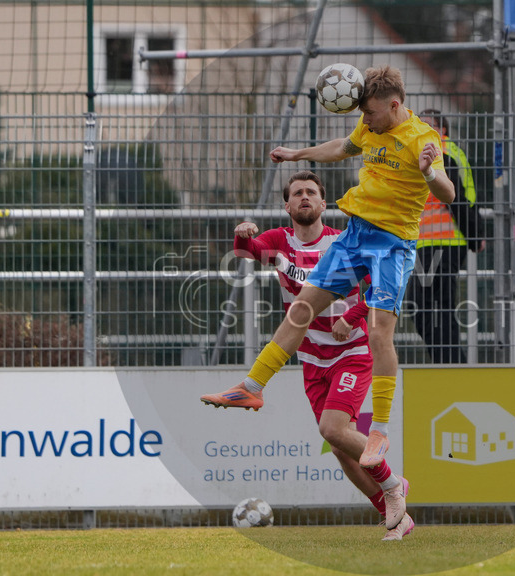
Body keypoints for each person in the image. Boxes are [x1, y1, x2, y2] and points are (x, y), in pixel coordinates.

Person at [200, 65, 454, 532]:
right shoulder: (369, 126)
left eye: (374, 114)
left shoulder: (422, 139)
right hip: (354, 237)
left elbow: (447, 190)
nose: (368, 122)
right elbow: (343, 146)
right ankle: (251, 389)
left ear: (395, 106)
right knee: (301, 307)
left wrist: (430, 172)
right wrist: (297, 152)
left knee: (379, 330)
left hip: (391, 247)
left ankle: (378, 431)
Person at [201, 171, 413, 540]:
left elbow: (378, 288)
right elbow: (243, 252)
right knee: (339, 445)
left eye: (311, 192)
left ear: (323, 203)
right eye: (296, 193)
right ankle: (392, 514)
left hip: (352, 352)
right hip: (312, 359)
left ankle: (395, 485)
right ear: (286, 205)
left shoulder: (341, 243)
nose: (304, 197)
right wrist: (243, 232)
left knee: (331, 429)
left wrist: (351, 318)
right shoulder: (277, 242)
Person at [407, 109, 485, 364]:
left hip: (443, 242)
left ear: (443, 130)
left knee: (431, 307)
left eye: (428, 125)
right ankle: (448, 362)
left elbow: (458, 199)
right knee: (429, 307)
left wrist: (475, 235)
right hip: (427, 244)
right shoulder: (430, 152)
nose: (422, 129)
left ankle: (450, 363)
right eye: (419, 124)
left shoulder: (442, 152)